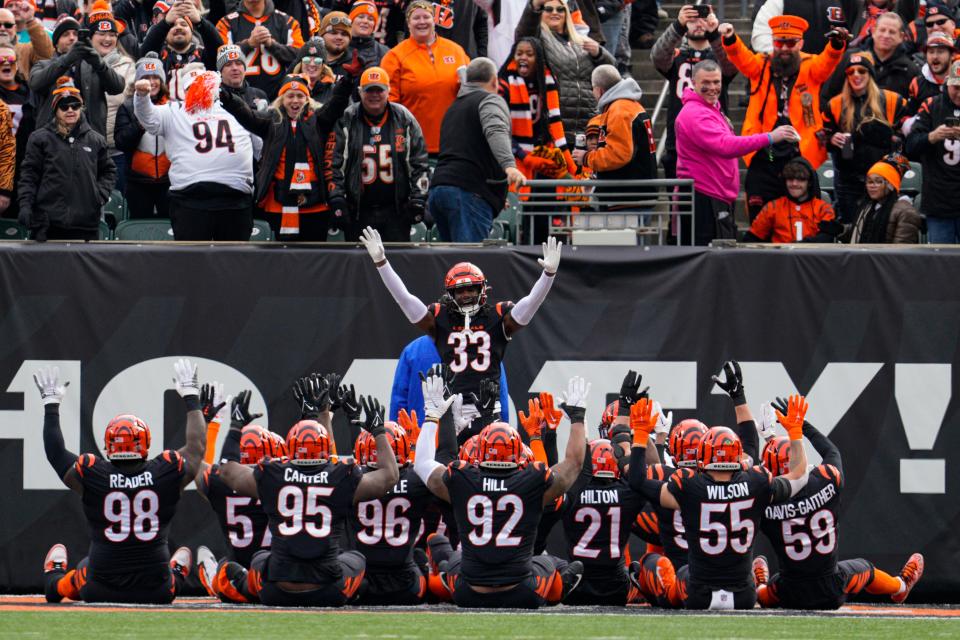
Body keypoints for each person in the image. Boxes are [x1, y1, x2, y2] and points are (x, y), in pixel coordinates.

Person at [412, 374, 588, 608]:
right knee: (547, 563)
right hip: (522, 592)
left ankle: (444, 580)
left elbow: (422, 464)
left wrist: (432, 417)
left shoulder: (462, 478)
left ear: (480, 451)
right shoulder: (532, 481)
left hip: (469, 594)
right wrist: (577, 418)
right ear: (518, 453)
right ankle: (556, 591)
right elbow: (574, 463)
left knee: (454, 561)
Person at [38, 359, 204, 604]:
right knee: (167, 582)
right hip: (157, 592)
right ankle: (176, 575)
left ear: (108, 446)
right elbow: (197, 447)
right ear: (145, 443)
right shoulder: (166, 471)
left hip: (99, 589)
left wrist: (51, 405)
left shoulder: (93, 474)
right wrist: (191, 396)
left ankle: (54, 580)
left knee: (83, 568)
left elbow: (56, 454)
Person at [628, 394, 812, 610]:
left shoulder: (689, 487)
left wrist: (641, 436)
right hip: (744, 596)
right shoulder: (757, 482)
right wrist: (795, 434)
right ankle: (759, 581)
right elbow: (800, 474)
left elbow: (637, 481)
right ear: (737, 457)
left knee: (668, 568)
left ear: (703, 455)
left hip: (699, 595)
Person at [218, 400, 400, 607]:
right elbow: (390, 476)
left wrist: (235, 428)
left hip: (276, 592)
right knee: (357, 558)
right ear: (326, 448)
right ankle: (356, 593)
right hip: (328, 592)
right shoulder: (341, 476)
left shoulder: (272, 475)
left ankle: (239, 583)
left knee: (260, 558)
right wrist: (378, 432)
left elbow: (226, 471)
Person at [360, 227, 562, 409]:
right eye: (459, 291)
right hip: (451, 407)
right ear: (450, 294)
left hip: (488, 406)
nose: (465, 295)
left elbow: (530, 305)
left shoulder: (497, 316)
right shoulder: (441, 318)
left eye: (471, 289)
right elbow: (405, 300)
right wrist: (381, 263)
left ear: (482, 289)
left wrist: (548, 274)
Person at [754, 400, 925, 608]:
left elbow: (765, 478)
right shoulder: (827, 479)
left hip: (790, 592)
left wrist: (768, 439)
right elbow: (831, 452)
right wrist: (800, 427)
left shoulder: (761, 501)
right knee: (866, 569)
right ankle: (900, 587)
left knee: (766, 591)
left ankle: (759, 586)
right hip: (830, 590)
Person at [723, 16, 848, 220]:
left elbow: (828, 61)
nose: (784, 48)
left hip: (799, 151)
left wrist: (835, 44)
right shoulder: (761, 65)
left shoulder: (811, 66)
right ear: (773, 42)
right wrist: (730, 38)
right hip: (764, 151)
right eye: (779, 42)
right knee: (758, 211)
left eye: (790, 42)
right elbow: (741, 57)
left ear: (800, 43)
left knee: (802, 214)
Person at [674, 59, 800, 245]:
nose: (712, 87)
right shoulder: (694, 113)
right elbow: (726, 146)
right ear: (693, 83)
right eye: (705, 83)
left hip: (716, 196)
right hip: (705, 198)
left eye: (716, 82)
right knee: (708, 260)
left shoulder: (710, 108)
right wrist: (770, 137)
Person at [221, 68, 355, 240]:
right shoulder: (271, 121)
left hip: (315, 202)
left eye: (300, 96)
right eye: (290, 95)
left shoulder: (319, 119)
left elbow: (337, 102)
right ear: (281, 99)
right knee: (285, 255)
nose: (295, 100)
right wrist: (230, 99)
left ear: (307, 99)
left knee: (314, 255)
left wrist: (349, 79)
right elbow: (247, 115)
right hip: (279, 201)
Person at [134, 70, 255, 240]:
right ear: (185, 91)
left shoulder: (235, 107)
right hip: (191, 198)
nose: (201, 91)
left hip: (235, 197)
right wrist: (141, 96)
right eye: (194, 87)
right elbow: (149, 118)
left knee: (233, 260)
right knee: (191, 261)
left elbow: (259, 140)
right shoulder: (174, 110)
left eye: (205, 86)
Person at [327, 65, 429, 242]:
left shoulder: (404, 118)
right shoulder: (347, 118)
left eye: (379, 90)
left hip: (395, 210)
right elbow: (334, 163)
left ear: (388, 91)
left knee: (396, 263)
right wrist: (337, 198)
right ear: (360, 92)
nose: (374, 95)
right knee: (360, 266)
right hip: (359, 211)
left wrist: (418, 198)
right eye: (369, 90)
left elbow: (419, 163)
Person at [193, 389, 276, 604]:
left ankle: (215, 581)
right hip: (278, 574)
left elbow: (196, 465)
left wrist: (209, 425)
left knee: (225, 568)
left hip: (239, 574)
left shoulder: (220, 483)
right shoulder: (282, 482)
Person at [429, 58, 524, 242]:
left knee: (453, 267)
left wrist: (493, 194)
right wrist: (509, 166)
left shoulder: (453, 108)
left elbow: (467, 150)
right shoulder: (490, 100)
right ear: (495, 81)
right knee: (469, 266)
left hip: (440, 190)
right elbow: (495, 130)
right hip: (467, 193)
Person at [497, 36, 575, 243]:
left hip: (544, 155)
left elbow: (554, 122)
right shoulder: (504, 84)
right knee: (523, 211)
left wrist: (561, 156)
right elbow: (500, 129)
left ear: (538, 59)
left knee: (548, 208)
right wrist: (523, 154)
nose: (523, 58)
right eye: (519, 53)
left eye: (529, 54)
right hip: (516, 158)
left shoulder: (548, 80)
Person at [18, 77, 114, 241]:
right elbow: (29, 176)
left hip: (86, 225)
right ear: (55, 109)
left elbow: (109, 171)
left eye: (75, 105)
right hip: (48, 225)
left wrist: (98, 196)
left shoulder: (96, 140)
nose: (70, 109)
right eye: (64, 106)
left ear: (81, 108)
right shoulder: (39, 138)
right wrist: (25, 205)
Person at [350, 421, 434, 605]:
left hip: (361, 584)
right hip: (406, 587)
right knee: (422, 556)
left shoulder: (352, 478)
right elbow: (436, 472)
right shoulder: (416, 480)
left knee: (345, 555)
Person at [651, 3, 738, 180]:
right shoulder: (675, 56)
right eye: (692, 20)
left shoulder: (718, 58)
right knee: (679, 205)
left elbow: (732, 66)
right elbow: (658, 57)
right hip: (678, 143)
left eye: (703, 19)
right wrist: (677, 26)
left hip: (715, 141)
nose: (698, 24)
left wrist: (715, 34)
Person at [821, 52, 908, 221]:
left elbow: (907, 140)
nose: (856, 75)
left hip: (884, 180)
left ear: (870, 75)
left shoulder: (893, 100)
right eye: (851, 72)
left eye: (862, 71)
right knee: (851, 230)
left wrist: (890, 139)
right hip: (849, 181)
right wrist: (831, 139)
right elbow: (821, 136)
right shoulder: (835, 104)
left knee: (881, 233)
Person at [560, 436, 646, 606]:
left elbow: (550, 479)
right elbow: (641, 480)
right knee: (640, 566)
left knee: (554, 565)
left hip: (576, 587)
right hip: (616, 590)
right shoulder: (628, 494)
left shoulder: (572, 494)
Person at [515, 0, 615, 146]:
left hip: (587, 122)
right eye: (548, 9)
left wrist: (600, 53)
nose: (555, 12)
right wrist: (534, 7)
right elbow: (524, 34)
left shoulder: (581, 41)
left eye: (560, 9)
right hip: (555, 122)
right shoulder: (539, 39)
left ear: (567, 13)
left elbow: (611, 73)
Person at [380, 0, 470, 157]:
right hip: (415, 147)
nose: (422, 22)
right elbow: (388, 105)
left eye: (426, 17)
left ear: (434, 20)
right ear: (408, 23)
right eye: (416, 18)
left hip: (455, 144)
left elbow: (472, 92)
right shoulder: (394, 57)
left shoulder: (456, 51)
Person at [570, 64, 657, 208]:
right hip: (636, 196)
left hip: (628, 199)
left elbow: (618, 154)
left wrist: (586, 157)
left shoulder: (619, 111)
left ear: (599, 90)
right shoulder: (631, 105)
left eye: (593, 89)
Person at [30, 13, 126, 138]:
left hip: (90, 141)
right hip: (53, 142)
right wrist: (66, 60)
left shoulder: (94, 66)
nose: (72, 38)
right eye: (65, 35)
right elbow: (35, 84)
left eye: (76, 34)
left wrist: (98, 62)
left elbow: (117, 87)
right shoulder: (43, 65)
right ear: (56, 43)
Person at [388, 335, 510, 422]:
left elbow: (399, 404)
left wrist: (398, 446)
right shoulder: (486, 351)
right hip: (475, 445)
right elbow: (500, 400)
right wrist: (501, 433)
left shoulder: (414, 349)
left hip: (424, 438)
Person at [114, 52, 171, 219]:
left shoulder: (172, 106)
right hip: (138, 181)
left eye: (155, 77)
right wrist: (141, 122)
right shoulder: (127, 106)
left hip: (168, 180)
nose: (151, 82)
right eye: (146, 77)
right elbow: (121, 142)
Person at [88, 4, 137, 195]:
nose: (108, 39)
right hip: (83, 151)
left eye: (113, 35)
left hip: (116, 152)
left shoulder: (127, 66)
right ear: (91, 36)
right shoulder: (79, 64)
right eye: (101, 33)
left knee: (116, 205)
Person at [216, 0, 305, 99]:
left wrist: (272, 45)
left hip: (279, 99)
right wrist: (248, 44)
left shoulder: (287, 21)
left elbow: (301, 56)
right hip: (237, 97)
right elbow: (219, 56)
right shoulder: (226, 23)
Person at [743, 157, 840, 242]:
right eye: (790, 179)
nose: (794, 184)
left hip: (812, 260)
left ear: (809, 182)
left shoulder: (823, 209)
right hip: (781, 260)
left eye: (800, 179)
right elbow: (753, 237)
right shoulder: (773, 207)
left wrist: (804, 244)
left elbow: (828, 237)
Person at [140, 1, 223, 93]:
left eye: (184, 25)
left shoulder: (202, 53)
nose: (178, 27)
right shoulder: (157, 55)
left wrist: (200, 22)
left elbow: (219, 51)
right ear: (165, 32)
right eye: (173, 25)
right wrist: (166, 23)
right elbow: (144, 53)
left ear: (192, 31)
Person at [848, 153, 922, 241]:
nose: (872, 186)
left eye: (878, 181)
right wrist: (838, 229)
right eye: (869, 182)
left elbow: (901, 250)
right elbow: (859, 231)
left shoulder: (906, 212)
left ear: (891, 185)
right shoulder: (867, 207)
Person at [751, 0, 856, 54]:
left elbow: (859, 36)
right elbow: (760, 37)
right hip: (793, 77)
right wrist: (787, 58)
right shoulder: (778, 2)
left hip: (837, 79)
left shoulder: (848, 2)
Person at [906, 32, 954, 119]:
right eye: (931, 52)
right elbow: (909, 117)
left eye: (940, 52)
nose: (935, 56)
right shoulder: (917, 83)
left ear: (952, 55)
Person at [0, 4, 50, 80]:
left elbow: (46, 55)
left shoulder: (25, 49)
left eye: (8, 25)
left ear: (15, 28)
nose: (2, 29)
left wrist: (30, 20)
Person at [218, 43, 269, 111]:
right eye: (228, 64)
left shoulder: (259, 94)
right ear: (220, 71)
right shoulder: (215, 98)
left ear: (244, 68)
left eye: (238, 63)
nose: (234, 68)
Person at [286, 39, 335, 105]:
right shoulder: (288, 86)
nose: (312, 64)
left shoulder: (333, 89)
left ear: (323, 65)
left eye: (317, 61)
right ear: (300, 64)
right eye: (307, 60)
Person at [349, 1, 388, 67]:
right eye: (361, 17)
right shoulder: (339, 46)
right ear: (351, 20)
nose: (365, 21)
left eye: (370, 19)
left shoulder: (384, 52)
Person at [319, 11, 356, 79]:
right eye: (334, 33)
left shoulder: (355, 66)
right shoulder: (309, 61)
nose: (339, 37)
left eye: (344, 34)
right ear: (322, 35)